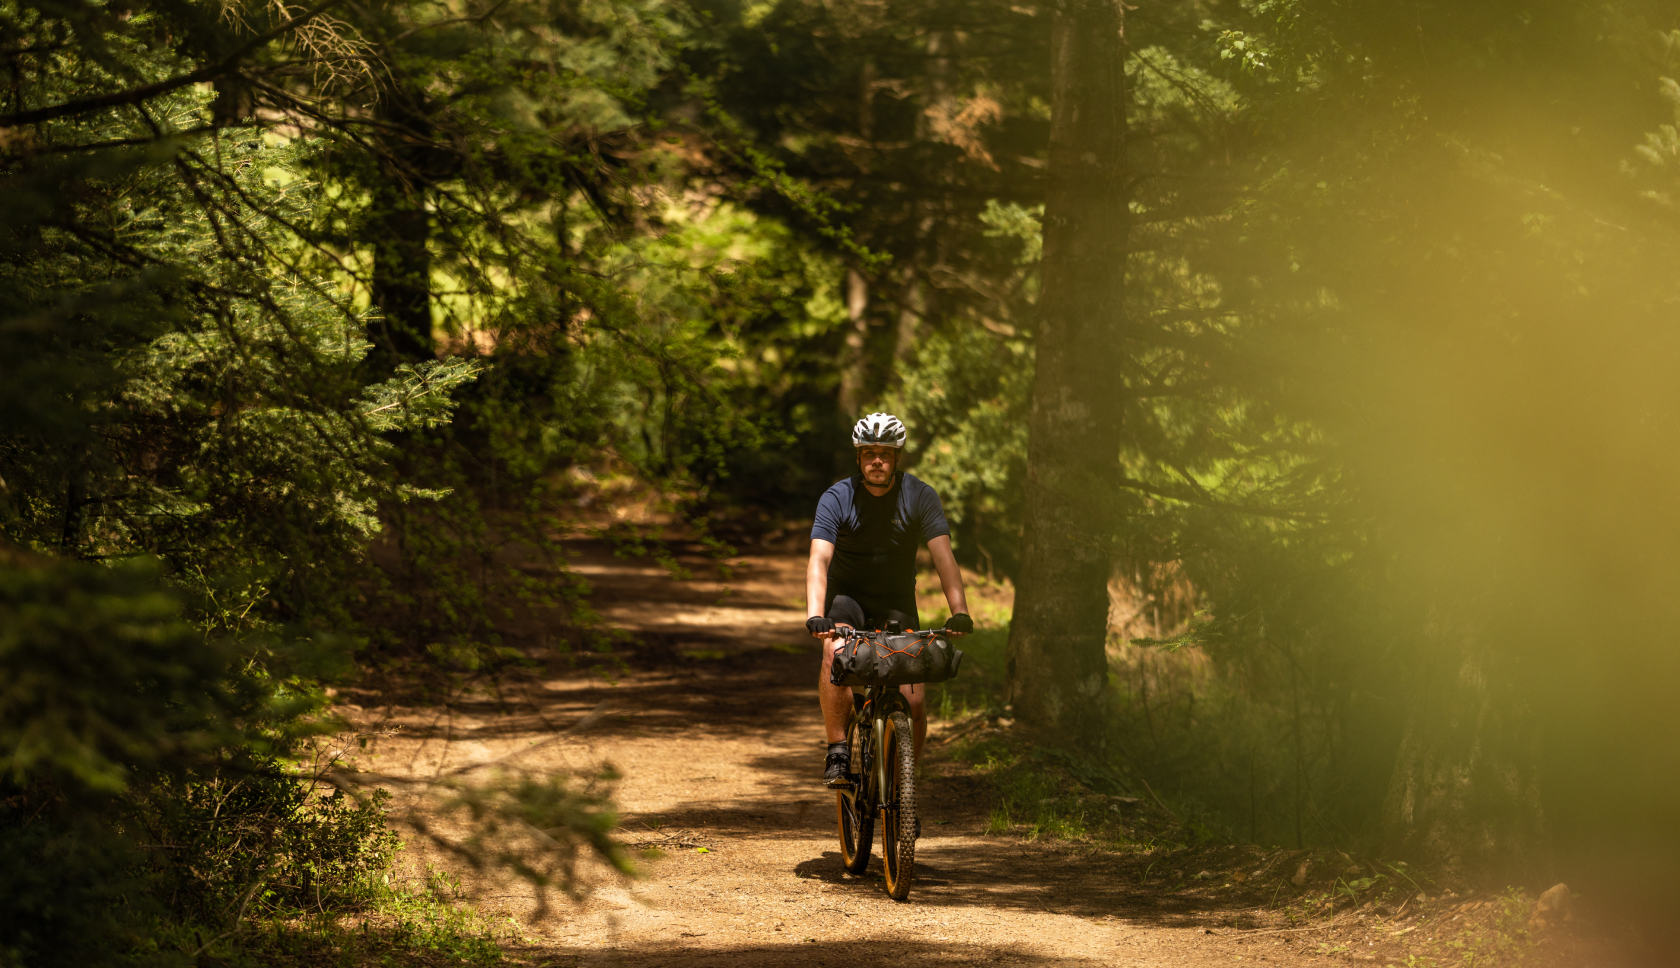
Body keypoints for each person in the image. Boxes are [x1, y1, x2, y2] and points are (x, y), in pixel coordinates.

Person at [806, 412, 973, 786]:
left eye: (885, 453)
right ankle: (837, 749)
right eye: (869, 453)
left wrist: (959, 611)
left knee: (913, 702)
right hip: (847, 599)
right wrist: (816, 614)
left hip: (897, 600)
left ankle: (904, 786)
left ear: (898, 458)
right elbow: (819, 557)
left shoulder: (919, 495)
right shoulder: (838, 497)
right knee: (835, 652)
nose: (876, 461)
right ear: (859, 458)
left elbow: (943, 556)